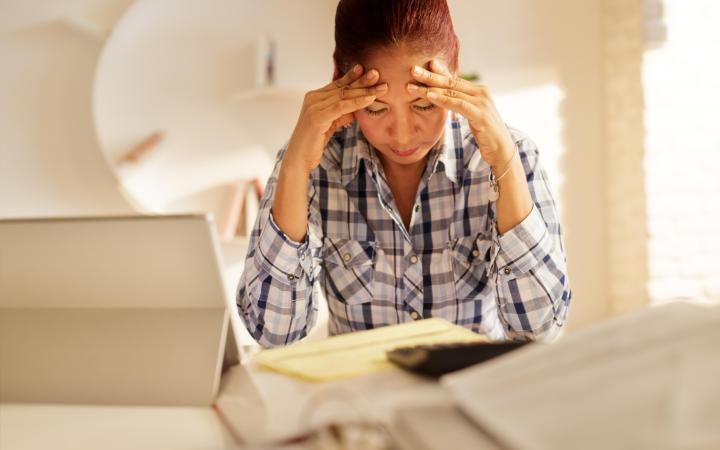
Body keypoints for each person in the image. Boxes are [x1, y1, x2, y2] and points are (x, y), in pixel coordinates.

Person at [236, 0, 571, 348]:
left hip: (470, 395)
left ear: (453, 68)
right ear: (339, 79)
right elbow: (274, 334)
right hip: (358, 397)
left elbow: (539, 330)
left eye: (424, 104)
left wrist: (504, 162)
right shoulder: (315, 164)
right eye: (377, 108)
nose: (403, 135)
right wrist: (293, 169)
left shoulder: (510, 155)